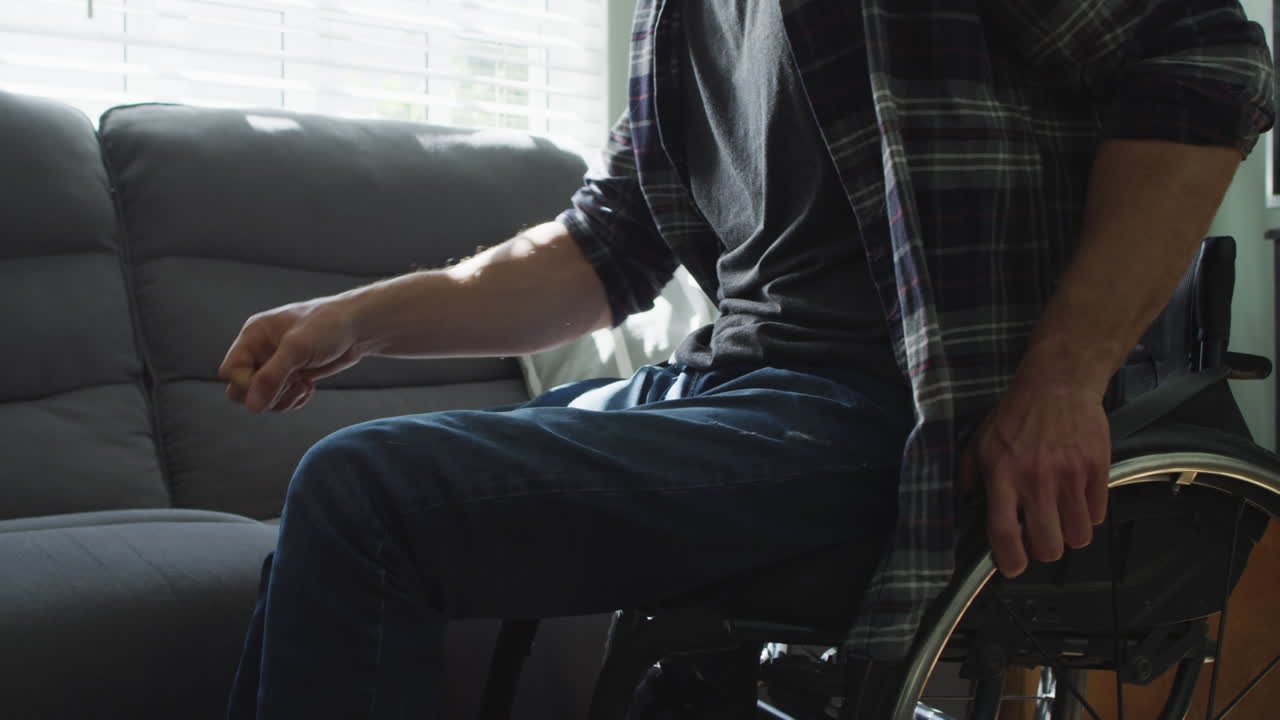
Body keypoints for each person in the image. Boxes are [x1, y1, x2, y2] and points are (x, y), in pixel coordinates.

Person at [223, 1, 1276, 717]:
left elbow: (1202, 56)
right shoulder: (675, 18)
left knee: (363, 495)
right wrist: (352, 319)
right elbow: (609, 241)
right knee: (333, 510)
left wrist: (1063, 382)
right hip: (739, 393)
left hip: (905, 411)